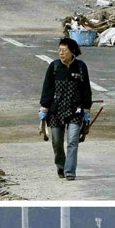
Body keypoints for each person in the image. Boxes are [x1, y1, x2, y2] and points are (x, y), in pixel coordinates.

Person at [39, 36, 92, 180]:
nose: (61, 53)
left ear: (72, 51)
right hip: (56, 110)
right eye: (59, 50)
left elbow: (86, 89)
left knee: (72, 141)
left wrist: (86, 110)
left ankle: (70, 171)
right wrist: (44, 107)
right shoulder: (54, 67)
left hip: (75, 110)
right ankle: (61, 166)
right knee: (57, 142)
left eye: (64, 50)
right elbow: (47, 88)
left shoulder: (80, 67)